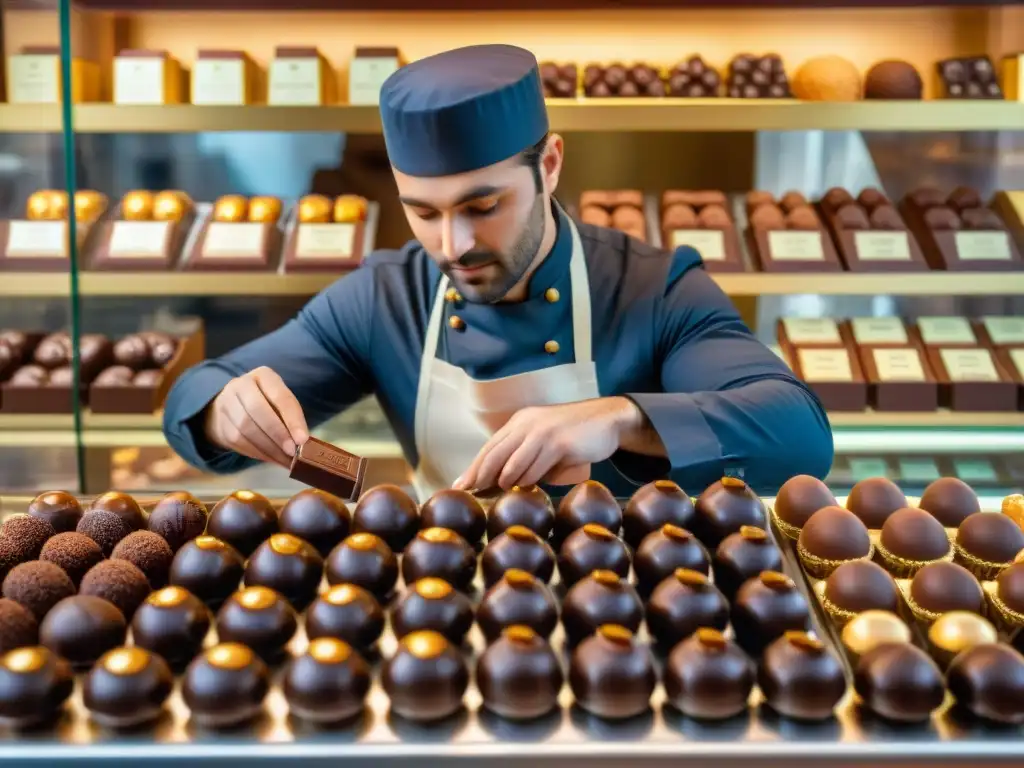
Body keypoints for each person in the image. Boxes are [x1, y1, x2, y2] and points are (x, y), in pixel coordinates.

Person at [163, 44, 833, 500]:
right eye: (423, 212)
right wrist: (227, 410)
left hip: (635, 609)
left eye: (482, 206)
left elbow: (798, 433)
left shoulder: (654, 290)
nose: (452, 244)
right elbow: (198, 395)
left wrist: (620, 419)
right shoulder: (383, 299)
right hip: (445, 613)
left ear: (549, 167)